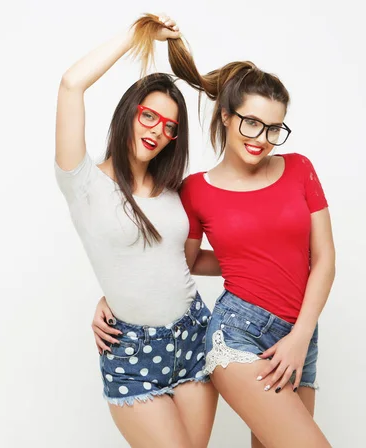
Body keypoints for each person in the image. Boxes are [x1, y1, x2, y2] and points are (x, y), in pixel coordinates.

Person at [93, 13, 335, 448]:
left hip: (303, 333)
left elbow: (325, 260)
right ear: (226, 116)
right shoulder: (197, 191)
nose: (261, 137)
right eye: (251, 123)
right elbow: (172, 258)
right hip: (238, 332)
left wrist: (300, 336)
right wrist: (112, 295)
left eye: (274, 128)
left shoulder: (300, 169)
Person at [55, 13, 219, 448]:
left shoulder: (172, 192)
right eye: (149, 116)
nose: (158, 131)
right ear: (130, 111)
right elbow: (71, 84)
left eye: (169, 127)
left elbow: (172, 262)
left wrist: (111, 293)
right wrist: (140, 32)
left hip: (194, 334)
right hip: (132, 353)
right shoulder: (84, 182)